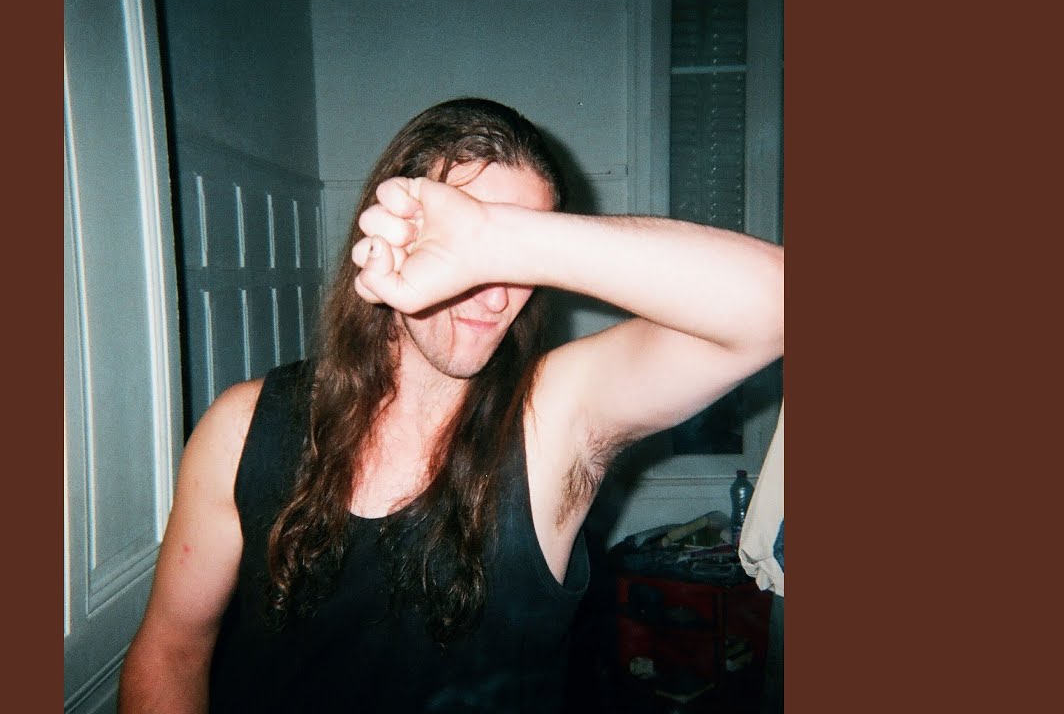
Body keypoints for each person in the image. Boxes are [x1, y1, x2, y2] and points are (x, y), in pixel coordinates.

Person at [118, 97, 784, 713]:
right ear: (391, 234)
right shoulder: (241, 427)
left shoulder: (551, 422)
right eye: (460, 248)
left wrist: (502, 237)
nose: (495, 296)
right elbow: (172, 649)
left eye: (512, 260)